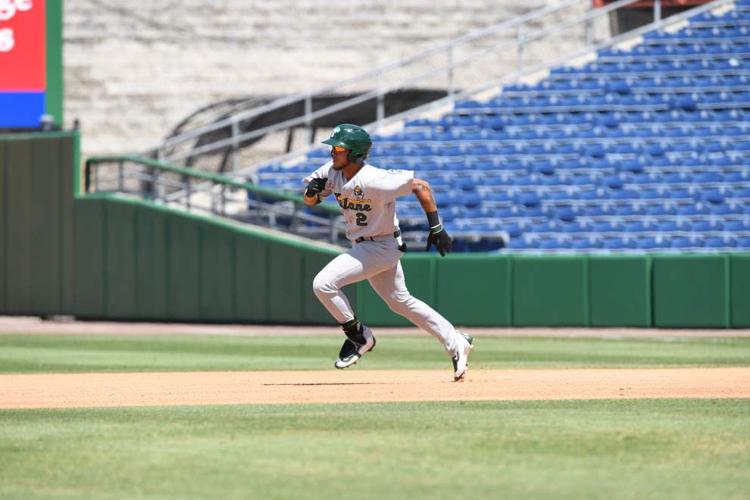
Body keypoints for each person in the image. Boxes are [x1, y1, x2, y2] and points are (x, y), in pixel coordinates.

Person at [302, 123, 474, 381]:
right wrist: (312, 192)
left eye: (338, 148)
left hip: (381, 245)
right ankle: (456, 341)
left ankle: (359, 336)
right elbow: (311, 200)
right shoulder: (332, 172)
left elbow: (421, 187)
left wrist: (436, 228)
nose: (332, 152)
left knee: (323, 284)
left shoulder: (375, 179)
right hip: (365, 244)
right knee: (400, 301)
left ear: (355, 153)